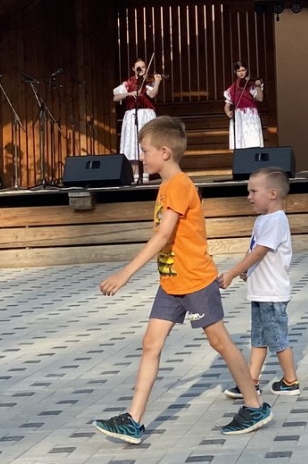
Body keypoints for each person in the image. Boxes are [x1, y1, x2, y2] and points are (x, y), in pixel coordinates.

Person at [92, 116, 273, 443]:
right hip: (171, 282)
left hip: (195, 281)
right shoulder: (166, 186)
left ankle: (254, 405)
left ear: (165, 152)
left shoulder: (179, 185)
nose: (141, 157)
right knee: (151, 344)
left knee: (219, 342)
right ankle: (134, 419)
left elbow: (164, 235)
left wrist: (125, 273)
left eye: (145, 151)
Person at [218, 166, 302, 400]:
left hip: (272, 293)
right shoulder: (262, 220)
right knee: (259, 338)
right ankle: (251, 381)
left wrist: (233, 272)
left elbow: (261, 251)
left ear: (273, 194)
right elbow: (252, 249)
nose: (249, 197)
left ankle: (290, 380)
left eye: (254, 191)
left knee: (277, 338)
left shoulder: (276, 220)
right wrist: (246, 270)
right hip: (259, 292)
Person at [112, 58, 160, 183]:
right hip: (132, 115)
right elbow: (115, 97)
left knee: (147, 142)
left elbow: (152, 94)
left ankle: (146, 174)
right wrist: (129, 94)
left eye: (143, 67)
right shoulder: (128, 83)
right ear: (134, 69)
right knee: (132, 144)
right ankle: (135, 175)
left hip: (147, 115)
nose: (141, 69)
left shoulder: (148, 82)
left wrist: (157, 82)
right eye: (139, 67)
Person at [224, 61, 264, 151]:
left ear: (246, 70)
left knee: (252, 141)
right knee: (239, 143)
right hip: (238, 116)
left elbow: (260, 99)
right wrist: (227, 112)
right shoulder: (232, 88)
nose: (241, 73)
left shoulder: (251, 84)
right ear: (235, 72)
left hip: (250, 115)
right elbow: (227, 104)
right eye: (239, 71)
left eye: (243, 70)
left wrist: (258, 87)